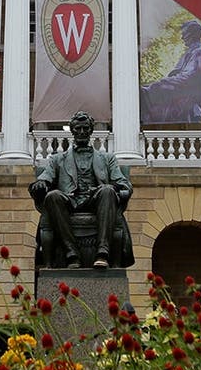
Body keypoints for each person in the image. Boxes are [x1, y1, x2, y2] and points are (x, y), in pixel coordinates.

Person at [30, 111, 133, 268]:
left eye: (85, 128)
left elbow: (123, 184)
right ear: (72, 131)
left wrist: (112, 188)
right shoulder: (58, 159)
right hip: (69, 201)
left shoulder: (107, 159)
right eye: (78, 129)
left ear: (91, 131)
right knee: (53, 196)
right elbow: (44, 178)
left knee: (107, 191)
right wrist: (40, 184)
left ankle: (102, 252)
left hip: (96, 201)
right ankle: (71, 252)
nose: (82, 132)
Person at [140, 20, 201, 123]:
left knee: (146, 97)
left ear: (193, 34)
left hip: (184, 102)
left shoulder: (199, 53)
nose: (182, 37)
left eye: (184, 34)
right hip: (179, 99)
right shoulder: (192, 52)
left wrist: (157, 86)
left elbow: (187, 79)